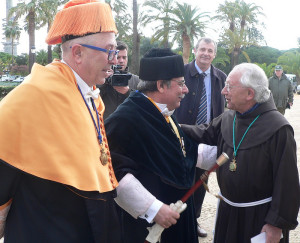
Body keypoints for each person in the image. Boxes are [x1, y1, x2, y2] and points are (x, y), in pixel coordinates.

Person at [0, 1, 121, 242]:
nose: (115, 60)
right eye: (109, 51)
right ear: (77, 52)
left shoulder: (87, 93)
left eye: (115, 51)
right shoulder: (34, 94)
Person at [181, 63, 300, 243]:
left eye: (229, 86)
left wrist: (276, 224)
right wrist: (173, 127)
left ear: (249, 94)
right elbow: (203, 132)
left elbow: (287, 183)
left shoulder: (279, 128)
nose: (223, 91)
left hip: (259, 219)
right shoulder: (230, 117)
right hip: (228, 211)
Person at [105, 48, 200, 243]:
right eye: (181, 84)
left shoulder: (163, 113)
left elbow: (181, 151)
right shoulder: (126, 119)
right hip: (148, 227)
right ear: (161, 85)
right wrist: (154, 209)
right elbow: (113, 172)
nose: (186, 90)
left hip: (176, 221)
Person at [174, 36, 227, 237]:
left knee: (201, 181)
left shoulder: (221, 77)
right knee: (179, 177)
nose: (206, 53)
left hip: (207, 139)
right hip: (182, 134)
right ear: (195, 50)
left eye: (210, 51)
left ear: (214, 54)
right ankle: (176, 220)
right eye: (202, 49)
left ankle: (193, 220)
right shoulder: (181, 73)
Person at [99, 41, 140, 119]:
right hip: (106, 127)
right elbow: (93, 101)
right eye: (118, 57)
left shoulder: (135, 80)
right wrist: (105, 81)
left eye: (124, 57)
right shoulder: (101, 78)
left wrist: (128, 92)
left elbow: (143, 104)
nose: (121, 61)